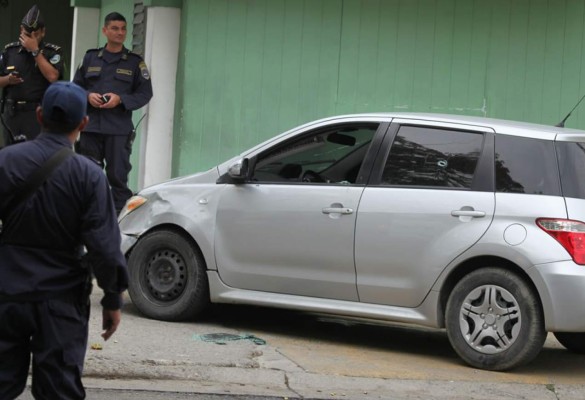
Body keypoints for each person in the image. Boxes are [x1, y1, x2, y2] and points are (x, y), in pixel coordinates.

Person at [0, 81, 129, 399]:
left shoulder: (6, 161)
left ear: (40, 115)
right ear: (83, 124)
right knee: (59, 391)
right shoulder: (89, 175)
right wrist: (112, 298)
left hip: (6, 292)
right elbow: (105, 247)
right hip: (61, 300)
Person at [73, 11, 153, 213]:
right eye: (115, 28)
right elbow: (75, 88)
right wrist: (88, 95)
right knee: (88, 175)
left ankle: (119, 223)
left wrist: (121, 100)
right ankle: (86, 218)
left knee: (118, 178)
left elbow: (145, 93)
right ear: (105, 30)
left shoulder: (135, 62)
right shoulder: (91, 57)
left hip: (118, 130)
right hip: (91, 128)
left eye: (123, 29)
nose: (120, 33)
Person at [0, 5, 63, 146]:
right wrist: (8, 79)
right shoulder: (10, 51)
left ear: (43, 32)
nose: (31, 39)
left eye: (36, 35)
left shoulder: (52, 52)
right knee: (9, 158)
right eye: (28, 35)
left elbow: (53, 77)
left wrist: (35, 50)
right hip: (12, 114)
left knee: (35, 159)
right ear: (21, 31)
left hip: (38, 115)